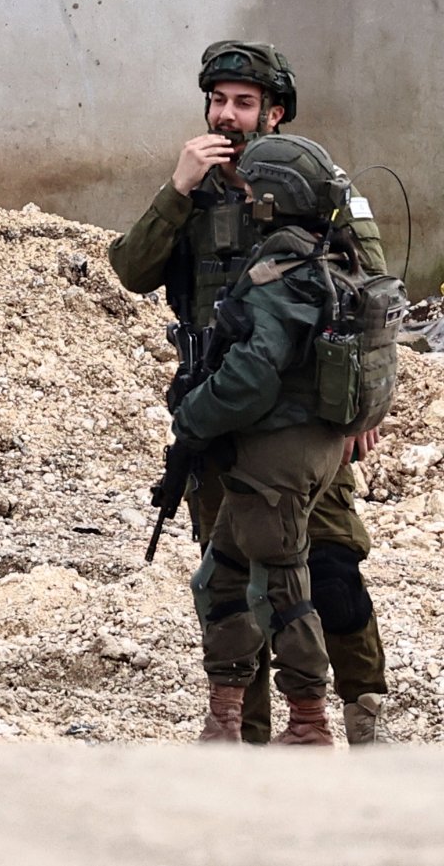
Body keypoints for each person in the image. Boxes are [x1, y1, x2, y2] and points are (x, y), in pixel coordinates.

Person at [108, 42, 392, 743]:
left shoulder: (319, 185)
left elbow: (376, 297)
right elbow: (131, 269)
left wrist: (363, 405)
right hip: (223, 407)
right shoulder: (194, 191)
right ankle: (251, 737)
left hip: (301, 415)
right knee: (231, 576)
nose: (226, 116)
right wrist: (176, 191)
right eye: (217, 100)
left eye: (242, 103)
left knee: (327, 566)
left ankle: (363, 717)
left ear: (275, 112)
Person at [167, 133, 383, 745]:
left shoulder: (280, 272)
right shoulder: (324, 255)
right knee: (223, 576)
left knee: (286, 588)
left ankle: (308, 727)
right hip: (304, 450)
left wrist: (193, 418)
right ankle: (226, 717)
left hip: (275, 457)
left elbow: (252, 377)